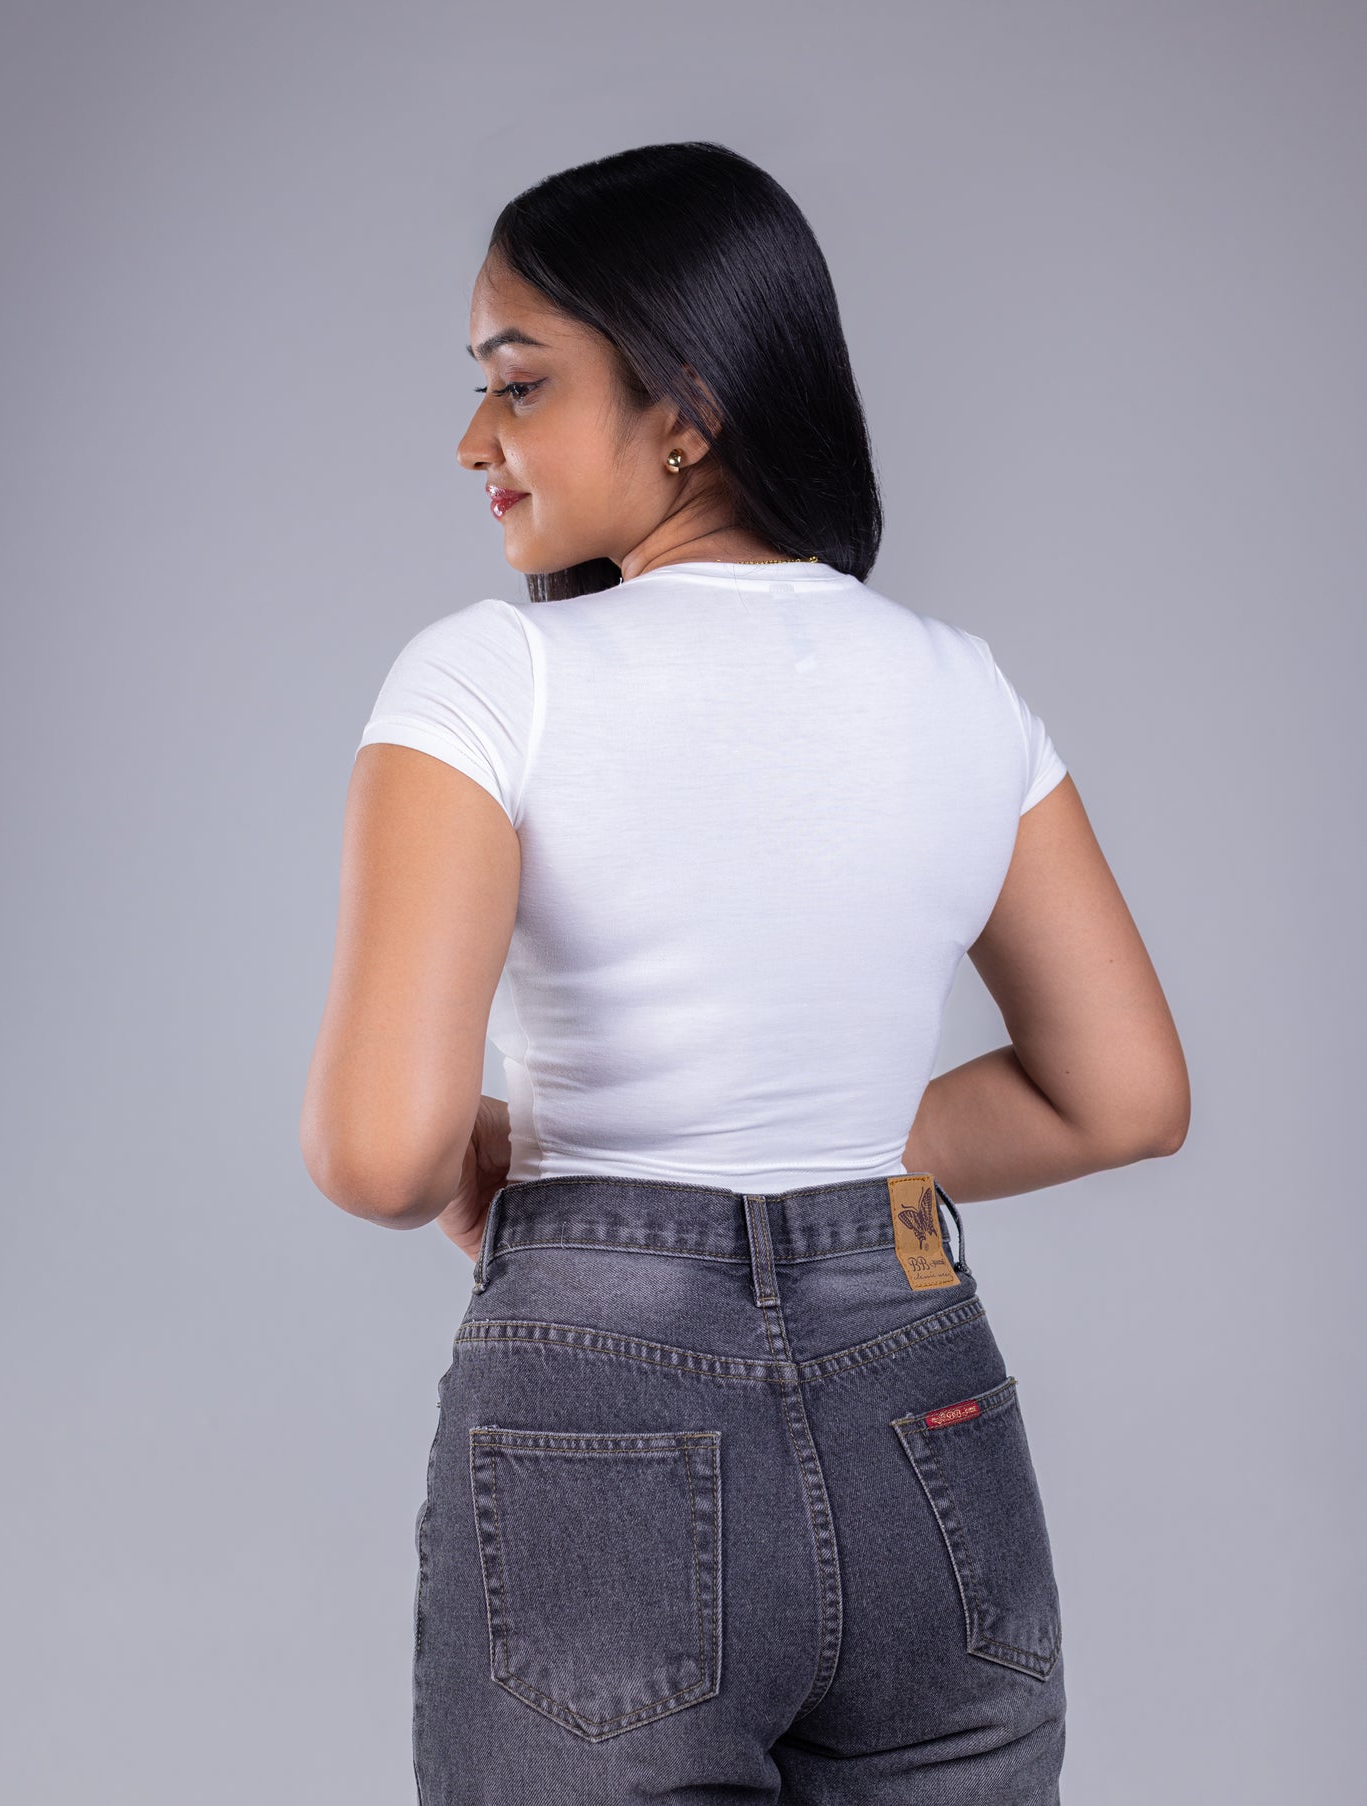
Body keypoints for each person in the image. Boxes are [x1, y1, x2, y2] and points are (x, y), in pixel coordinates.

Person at [299, 141, 1189, 1806]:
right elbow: (1124, 1093)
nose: (474, 442)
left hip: (598, 1419)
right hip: (924, 1404)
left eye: (520, 384)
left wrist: (493, 1160)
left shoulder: (490, 681)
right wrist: (841, 1175)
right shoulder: (957, 685)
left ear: (685, 408)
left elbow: (376, 1150)